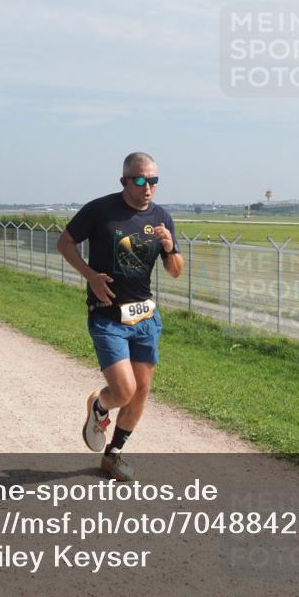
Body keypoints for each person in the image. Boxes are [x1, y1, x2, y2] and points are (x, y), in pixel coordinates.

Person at [57, 152, 183, 482]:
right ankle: (100, 405)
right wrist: (91, 276)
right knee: (124, 389)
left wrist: (169, 247)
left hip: (145, 318)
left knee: (141, 389)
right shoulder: (101, 210)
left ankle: (113, 456)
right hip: (108, 315)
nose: (147, 187)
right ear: (124, 180)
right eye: (140, 180)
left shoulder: (162, 217)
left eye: (153, 181)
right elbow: (65, 242)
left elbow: (176, 272)